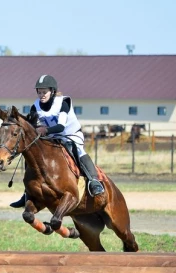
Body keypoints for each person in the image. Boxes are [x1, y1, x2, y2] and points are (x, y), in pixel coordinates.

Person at [10, 74, 105, 208]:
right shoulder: (35, 106)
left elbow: (60, 127)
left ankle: (93, 181)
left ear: (52, 91)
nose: (41, 95)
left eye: (44, 92)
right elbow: (33, 126)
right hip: (51, 138)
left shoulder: (63, 103)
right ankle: (27, 192)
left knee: (77, 150)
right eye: (39, 92)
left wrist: (45, 130)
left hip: (70, 135)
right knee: (32, 154)